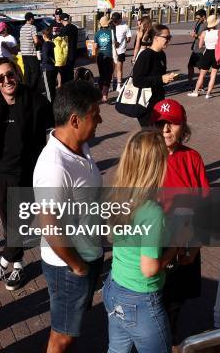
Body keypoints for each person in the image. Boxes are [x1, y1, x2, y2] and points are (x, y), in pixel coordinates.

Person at [33, 80, 103, 353]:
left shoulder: (81, 148)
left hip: (86, 255)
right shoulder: (54, 166)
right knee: (62, 337)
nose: (99, 119)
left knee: (70, 329)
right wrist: (77, 266)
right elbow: (50, 228)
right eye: (94, 115)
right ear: (75, 120)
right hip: (68, 266)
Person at [0, 58, 53, 291]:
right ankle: (18, 264)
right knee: (8, 220)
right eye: (1, 78)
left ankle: (4, 260)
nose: (7, 80)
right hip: (0, 172)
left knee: (20, 222)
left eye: (10, 75)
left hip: (27, 171)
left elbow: (51, 131)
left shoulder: (35, 101)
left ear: (17, 74)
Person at [104, 129, 181, 353]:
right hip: (141, 298)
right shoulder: (152, 212)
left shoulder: (118, 194)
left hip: (114, 286)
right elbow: (149, 268)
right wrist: (173, 248)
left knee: (116, 349)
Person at [150, 99, 209, 349]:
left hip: (185, 240)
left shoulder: (192, 158)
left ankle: (170, 335)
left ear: (182, 127)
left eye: (171, 124)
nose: (165, 130)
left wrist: (195, 246)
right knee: (154, 296)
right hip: (156, 241)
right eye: (160, 124)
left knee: (176, 298)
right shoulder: (149, 158)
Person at [133, 24, 178, 127]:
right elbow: (137, 80)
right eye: (166, 37)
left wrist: (168, 78)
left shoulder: (162, 54)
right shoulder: (145, 55)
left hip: (159, 100)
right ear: (156, 38)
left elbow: (159, 78)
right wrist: (161, 79)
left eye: (170, 37)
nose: (168, 40)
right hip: (146, 104)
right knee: (150, 135)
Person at [188, 15, 220, 99]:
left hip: (207, 53)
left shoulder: (204, 33)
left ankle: (196, 91)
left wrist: (207, 44)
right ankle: (208, 93)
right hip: (217, 54)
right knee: (213, 74)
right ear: (215, 23)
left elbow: (200, 45)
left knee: (202, 75)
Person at [94, 16, 115, 103]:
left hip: (100, 56)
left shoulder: (97, 33)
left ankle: (99, 95)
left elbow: (95, 46)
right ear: (108, 24)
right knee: (108, 76)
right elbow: (115, 44)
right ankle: (104, 95)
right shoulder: (111, 32)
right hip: (109, 56)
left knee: (102, 75)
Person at [19, 12, 41, 90]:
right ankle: (33, 88)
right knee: (36, 71)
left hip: (24, 53)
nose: (33, 20)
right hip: (31, 53)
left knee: (27, 71)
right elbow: (36, 41)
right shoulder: (32, 27)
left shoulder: (22, 28)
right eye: (33, 18)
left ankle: (27, 87)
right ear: (31, 19)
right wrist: (39, 42)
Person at [112, 12, 132, 93]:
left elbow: (128, 38)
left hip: (115, 50)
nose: (115, 22)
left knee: (113, 68)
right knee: (118, 68)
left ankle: (113, 84)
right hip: (120, 50)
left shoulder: (110, 26)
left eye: (115, 21)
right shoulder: (125, 26)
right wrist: (124, 41)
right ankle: (118, 85)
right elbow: (128, 39)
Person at [187, 9, 207, 90]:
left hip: (201, 49)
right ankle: (190, 82)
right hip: (195, 48)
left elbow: (206, 38)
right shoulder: (199, 23)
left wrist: (195, 36)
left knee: (201, 68)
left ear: (203, 17)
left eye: (198, 18)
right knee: (190, 65)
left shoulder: (207, 25)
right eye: (196, 18)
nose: (197, 20)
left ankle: (201, 86)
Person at [59, 13, 78, 84]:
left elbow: (61, 43)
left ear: (61, 20)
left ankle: (66, 89)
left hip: (66, 54)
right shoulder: (75, 28)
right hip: (73, 52)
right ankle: (72, 87)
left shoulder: (64, 30)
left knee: (64, 74)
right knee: (70, 72)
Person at [41, 27, 58, 102]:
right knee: (53, 87)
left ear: (44, 36)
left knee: (48, 89)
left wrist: (41, 62)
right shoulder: (53, 43)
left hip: (47, 68)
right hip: (54, 68)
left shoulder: (45, 45)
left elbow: (45, 57)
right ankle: (54, 102)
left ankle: (50, 105)